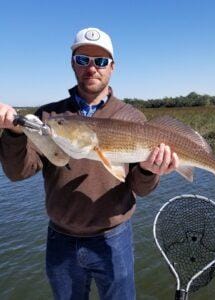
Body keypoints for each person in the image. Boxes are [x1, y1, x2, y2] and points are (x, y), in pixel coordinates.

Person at [0, 27, 179, 300]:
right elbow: (19, 172)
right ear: (73, 63)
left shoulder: (132, 117)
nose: (92, 68)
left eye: (101, 61)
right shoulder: (49, 116)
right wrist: (13, 134)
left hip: (114, 239)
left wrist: (147, 170)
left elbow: (141, 189)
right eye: (83, 59)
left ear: (112, 67)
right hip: (60, 239)